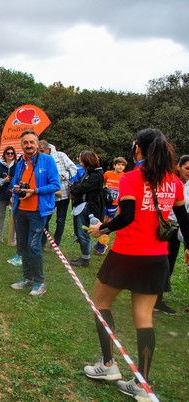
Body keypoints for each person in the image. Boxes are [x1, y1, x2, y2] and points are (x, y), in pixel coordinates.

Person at [84, 128, 189, 401]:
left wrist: (102, 229)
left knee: (101, 303)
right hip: (157, 258)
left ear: (139, 149)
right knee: (144, 318)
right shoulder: (174, 182)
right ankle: (141, 382)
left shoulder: (131, 178)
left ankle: (107, 365)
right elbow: (184, 220)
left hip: (127, 254)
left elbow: (127, 216)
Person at [10, 130, 60, 297]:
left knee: (33, 246)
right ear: (22, 145)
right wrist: (16, 188)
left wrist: (35, 191)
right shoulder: (20, 163)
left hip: (38, 211)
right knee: (23, 246)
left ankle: (40, 282)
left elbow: (55, 185)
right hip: (21, 210)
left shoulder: (47, 160)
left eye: (32, 142)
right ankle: (27, 278)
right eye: (25, 143)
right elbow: (15, 183)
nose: (29, 145)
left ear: (37, 144)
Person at [154, 154, 189, 314]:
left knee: (169, 265)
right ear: (178, 167)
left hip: (180, 230)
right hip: (165, 228)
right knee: (161, 263)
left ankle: (157, 299)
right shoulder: (170, 182)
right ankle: (153, 298)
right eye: (187, 168)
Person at [38, 140, 77, 248]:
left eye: (42, 150)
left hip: (63, 194)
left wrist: (63, 177)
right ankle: (42, 242)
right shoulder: (39, 159)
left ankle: (56, 242)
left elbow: (74, 169)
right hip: (49, 195)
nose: (40, 153)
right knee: (45, 218)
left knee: (60, 220)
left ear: (48, 149)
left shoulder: (61, 156)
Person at [69, 150, 105, 267]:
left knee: (83, 233)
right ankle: (84, 257)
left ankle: (85, 259)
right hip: (82, 205)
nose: (80, 162)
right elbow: (78, 183)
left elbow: (81, 187)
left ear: (86, 161)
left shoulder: (96, 175)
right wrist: (75, 187)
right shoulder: (89, 172)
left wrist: (74, 189)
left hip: (88, 208)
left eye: (81, 159)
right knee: (80, 232)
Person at [93, 157, 127, 254]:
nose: (121, 167)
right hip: (105, 201)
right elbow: (102, 183)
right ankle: (101, 244)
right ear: (114, 165)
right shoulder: (108, 173)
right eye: (119, 164)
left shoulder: (124, 176)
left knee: (108, 223)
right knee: (103, 221)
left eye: (123, 165)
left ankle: (102, 245)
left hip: (115, 203)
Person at [0, 146, 18, 244]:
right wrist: (3, 180)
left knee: (14, 216)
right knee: (1, 216)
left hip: (13, 194)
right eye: (8, 153)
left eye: (12, 153)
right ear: (4, 155)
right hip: (2, 193)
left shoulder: (17, 166)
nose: (10, 155)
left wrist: (10, 180)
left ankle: (13, 238)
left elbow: (19, 178)